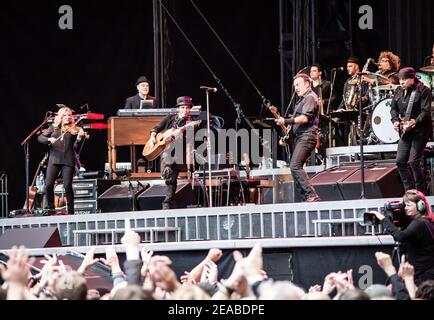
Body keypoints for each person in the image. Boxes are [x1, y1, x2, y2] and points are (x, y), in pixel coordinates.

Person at [370, 189, 434, 285]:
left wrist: (383, 219)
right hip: (427, 273)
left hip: (423, 276)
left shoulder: (419, 223)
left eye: (408, 205)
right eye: (405, 206)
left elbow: (400, 237)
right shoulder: (426, 221)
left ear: (420, 206)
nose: (405, 208)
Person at [275, 73, 321, 202]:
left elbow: (305, 118)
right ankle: (307, 197)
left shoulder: (310, 98)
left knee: (295, 166)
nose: (296, 88)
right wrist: (286, 137)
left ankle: (311, 195)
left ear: (307, 84)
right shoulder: (303, 99)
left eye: (298, 85)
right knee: (294, 166)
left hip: (307, 137)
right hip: (301, 136)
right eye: (294, 85)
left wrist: (286, 120)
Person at [148, 96, 195, 209]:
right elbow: (156, 128)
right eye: (183, 107)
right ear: (178, 109)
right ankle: (167, 202)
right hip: (166, 150)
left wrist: (181, 134)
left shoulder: (190, 123)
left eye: (187, 108)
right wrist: (152, 137)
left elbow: (189, 141)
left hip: (179, 154)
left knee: (171, 178)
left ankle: (167, 203)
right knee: (170, 179)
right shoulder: (170, 118)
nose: (185, 110)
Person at [37, 107, 86, 214]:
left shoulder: (75, 129)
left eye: (69, 115)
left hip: (68, 160)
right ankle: (51, 208)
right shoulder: (53, 128)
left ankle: (71, 210)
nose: (68, 117)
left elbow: (76, 147)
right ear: (60, 117)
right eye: (65, 115)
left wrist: (79, 138)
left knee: (67, 185)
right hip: (54, 159)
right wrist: (49, 139)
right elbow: (40, 138)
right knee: (48, 185)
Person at [391, 67, 432, 194]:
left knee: (413, 162)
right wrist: (395, 120)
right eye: (400, 80)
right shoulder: (398, 90)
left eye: (404, 80)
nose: (401, 82)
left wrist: (415, 121)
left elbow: (426, 111)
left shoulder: (423, 90)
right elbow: (393, 108)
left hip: (420, 131)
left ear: (412, 78)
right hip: (405, 131)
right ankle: (409, 192)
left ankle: (421, 193)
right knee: (400, 161)